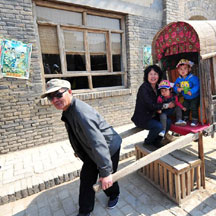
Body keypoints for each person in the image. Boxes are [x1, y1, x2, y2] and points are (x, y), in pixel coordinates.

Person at [41, 79, 122, 216]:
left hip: (108, 147)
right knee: (86, 179)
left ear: (70, 92)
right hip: (93, 150)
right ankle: (84, 212)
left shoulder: (80, 112)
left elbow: (98, 142)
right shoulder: (68, 109)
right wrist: (79, 150)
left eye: (58, 95)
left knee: (107, 179)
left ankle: (114, 195)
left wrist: (106, 172)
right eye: (50, 97)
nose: (55, 99)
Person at [131, 65, 175, 147]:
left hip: (154, 115)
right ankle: (148, 142)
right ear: (146, 75)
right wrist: (166, 105)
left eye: (155, 74)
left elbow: (166, 96)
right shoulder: (143, 88)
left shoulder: (159, 87)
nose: (153, 76)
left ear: (159, 76)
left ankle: (157, 141)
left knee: (168, 122)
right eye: (151, 74)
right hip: (143, 118)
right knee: (158, 126)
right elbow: (151, 105)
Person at [173, 59, 200, 127]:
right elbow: (175, 86)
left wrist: (191, 91)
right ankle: (185, 118)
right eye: (181, 69)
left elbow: (197, 86)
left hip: (194, 97)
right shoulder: (179, 79)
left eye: (185, 68)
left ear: (189, 69)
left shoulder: (193, 78)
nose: (183, 71)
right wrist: (177, 89)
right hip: (186, 97)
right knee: (185, 107)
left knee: (194, 107)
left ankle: (195, 120)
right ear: (178, 70)